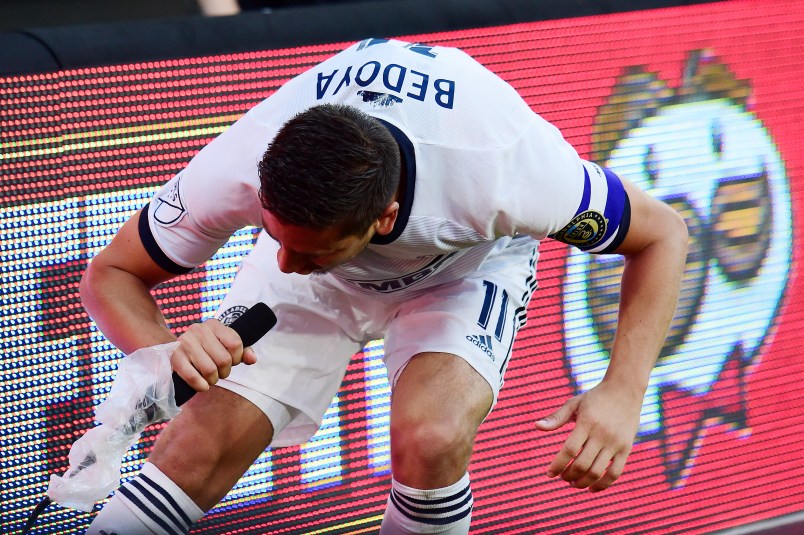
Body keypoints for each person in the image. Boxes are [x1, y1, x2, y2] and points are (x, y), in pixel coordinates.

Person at [81, 38, 688, 535]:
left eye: (307, 250)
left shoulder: (505, 171)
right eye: (274, 235)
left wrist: (624, 391)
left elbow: (663, 234)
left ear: (386, 219)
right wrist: (163, 352)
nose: (286, 263)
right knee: (197, 448)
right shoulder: (243, 164)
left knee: (432, 436)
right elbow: (112, 273)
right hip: (329, 270)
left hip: (462, 267)